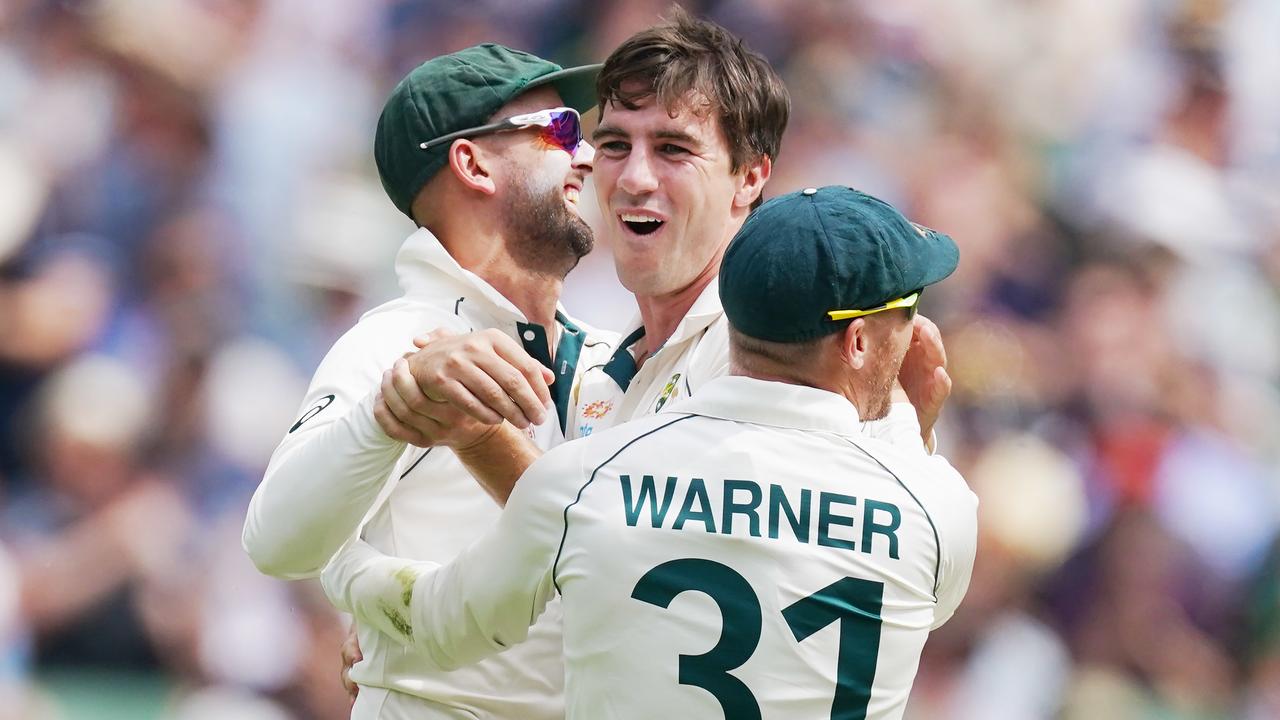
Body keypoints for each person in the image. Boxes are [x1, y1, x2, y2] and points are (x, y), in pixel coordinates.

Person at [323, 185, 979, 720]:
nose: (916, 328)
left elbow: (444, 626)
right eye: (908, 309)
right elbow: (923, 597)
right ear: (859, 343)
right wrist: (908, 427)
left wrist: (345, 565)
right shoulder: (936, 503)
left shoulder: (588, 478)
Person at [378, 10, 952, 504]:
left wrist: (479, 438)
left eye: (673, 149)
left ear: (750, 176)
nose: (634, 178)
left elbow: (607, 563)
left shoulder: (773, 352)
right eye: (614, 144)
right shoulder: (606, 371)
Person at [241, 44, 614, 720]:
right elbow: (275, 543)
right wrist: (392, 410)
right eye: (560, 129)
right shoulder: (395, 345)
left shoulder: (614, 357)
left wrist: (364, 590)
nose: (584, 155)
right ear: (472, 163)